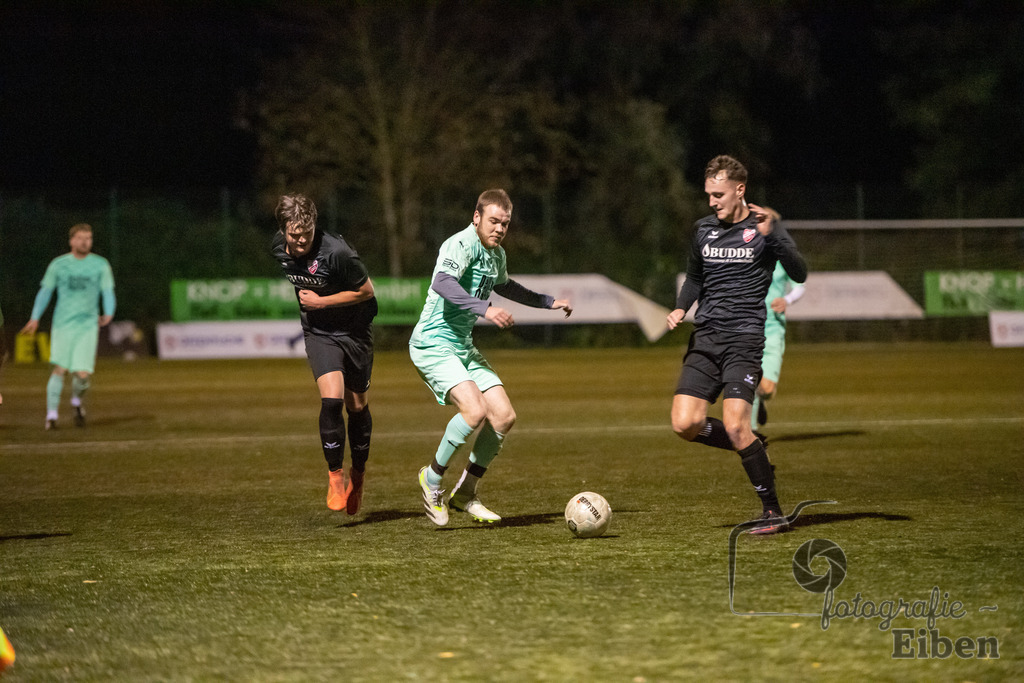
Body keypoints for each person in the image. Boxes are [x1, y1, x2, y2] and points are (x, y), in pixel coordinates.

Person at [411, 189, 572, 526]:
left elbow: (505, 286)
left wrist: (548, 302)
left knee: (503, 415)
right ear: (477, 217)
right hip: (432, 342)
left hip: (461, 346)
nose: (499, 228)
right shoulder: (461, 243)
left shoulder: (496, 254)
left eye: (505, 223)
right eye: (494, 221)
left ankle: (466, 493)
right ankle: (433, 478)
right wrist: (484, 308)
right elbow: (442, 283)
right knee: (474, 411)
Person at [667, 156, 807, 535]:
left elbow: (799, 272)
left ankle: (773, 511)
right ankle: (752, 446)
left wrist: (773, 234)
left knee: (735, 425)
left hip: (744, 339)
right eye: (709, 194)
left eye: (719, 194)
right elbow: (695, 278)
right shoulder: (703, 230)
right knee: (684, 423)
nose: (712, 201)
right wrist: (681, 308)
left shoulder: (764, 227)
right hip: (706, 337)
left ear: (740, 190)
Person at [272, 193, 378, 515]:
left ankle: (357, 477)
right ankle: (335, 476)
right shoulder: (277, 248)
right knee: (331, 401)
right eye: (294, 234)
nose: (302, 239)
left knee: (356, 406)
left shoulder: (338, 251)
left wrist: (321, 301)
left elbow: (367, 291)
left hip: (356, 332)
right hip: (319, 333)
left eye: (307, 232)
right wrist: (314, 312)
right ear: (283, 231)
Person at [20, 223, 116, 430]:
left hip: (88, 324)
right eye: (81, 238)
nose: (85, 242)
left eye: (88, 238)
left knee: (82, 375)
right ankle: (51, 416)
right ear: (71, 241)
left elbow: (107, 290)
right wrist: (35, 317)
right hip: (63, 324)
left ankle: (76, 402)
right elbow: (46, 291)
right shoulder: (59, 264)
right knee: (60, 368)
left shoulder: (100, 264)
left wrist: (109, 311)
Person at [752, 254, 805, 438]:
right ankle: (752, 432)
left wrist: (786, 300)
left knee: (766, 388)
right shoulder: (747, 252)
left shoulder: (783, 257)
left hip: (773, 328)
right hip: (748, 328)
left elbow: (800, 286)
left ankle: (761, 401)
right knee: (748, 379)